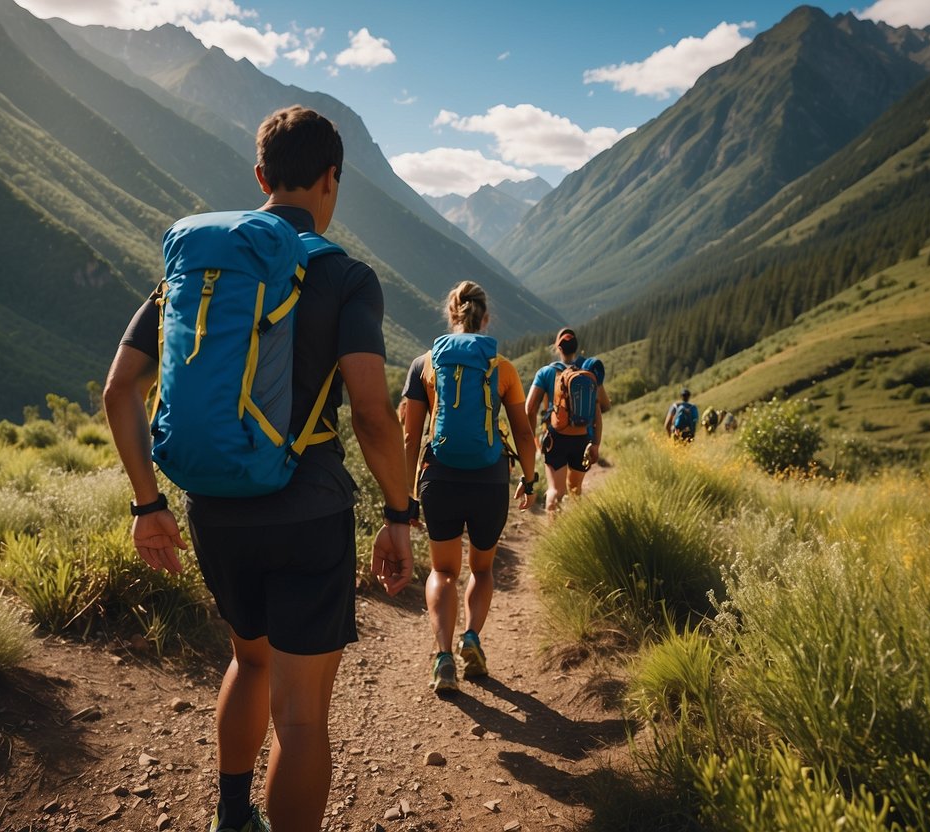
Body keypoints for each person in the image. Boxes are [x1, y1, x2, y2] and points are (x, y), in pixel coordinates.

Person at [103, 106, 414, 832]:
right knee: (302, 719)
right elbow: (371, 412)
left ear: (260, 176)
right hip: (309, 511)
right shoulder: (345, 277)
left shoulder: (201, 266)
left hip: (214, 506)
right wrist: (398, 515)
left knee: (249, 662)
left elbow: (120, 390)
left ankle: (229, 817)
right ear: (331, 179)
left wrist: (148, 507)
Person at [401, 281, 537, 695]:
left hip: (438, 478)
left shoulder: (423, 364)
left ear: (451, 313)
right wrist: (529, 481)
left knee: (443, 570)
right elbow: (525, 435)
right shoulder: (503, 368)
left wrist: (405, 496)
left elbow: (410, 438)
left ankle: (443, 657)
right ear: (485, 317)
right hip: (489, 479)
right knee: (481, 568)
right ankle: (472, 638)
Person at [525, 328, 606, 512]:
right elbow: (598, 411)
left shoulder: (546, 373)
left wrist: (532, 439)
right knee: (575, 489)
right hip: (583, 437)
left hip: (556, 438)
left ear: (557, 348)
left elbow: (529, 408)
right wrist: (596, 443)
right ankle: (574, 530)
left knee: (555, 490)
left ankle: (553, 534)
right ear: (576, 348)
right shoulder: (586, 374)